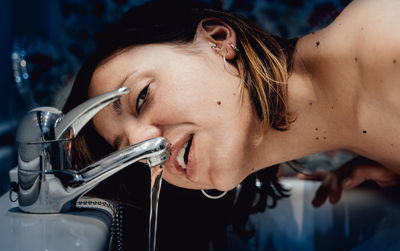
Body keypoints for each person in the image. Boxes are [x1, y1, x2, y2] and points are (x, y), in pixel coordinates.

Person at [64, 0, 399, 208]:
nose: (142, 147)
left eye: (141, 97)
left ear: (218, 41)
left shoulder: (387, 40)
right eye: (127, 154)